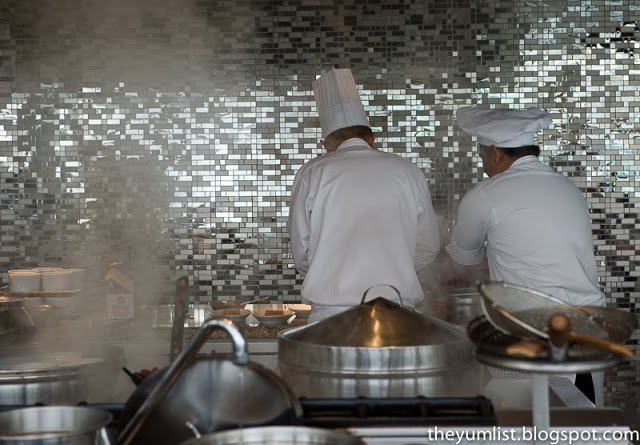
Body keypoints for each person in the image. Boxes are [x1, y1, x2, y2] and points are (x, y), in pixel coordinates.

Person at [446, 106, 606, 406]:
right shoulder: (566, 187)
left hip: (531, 334)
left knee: (524, 426)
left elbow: (461, 261)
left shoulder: (486, 194)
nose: (484, 166)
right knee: (586, 425)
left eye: (482, 158)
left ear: (496, 153)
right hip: (589, 329)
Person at [289, 68, 440, 322]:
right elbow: (427, 246)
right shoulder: (407, 171)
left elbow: (301, 251)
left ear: (326, 143)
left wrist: (328, 269)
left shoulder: (312, 173)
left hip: (331, 317)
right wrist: (394, 263)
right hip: (397, 312)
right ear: (373, 139)